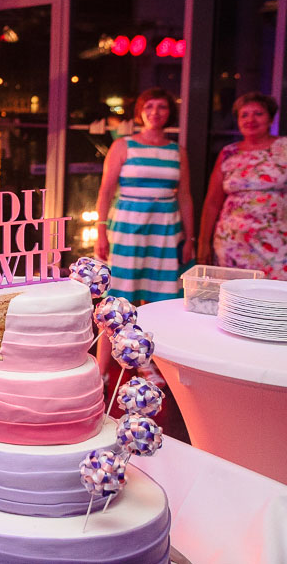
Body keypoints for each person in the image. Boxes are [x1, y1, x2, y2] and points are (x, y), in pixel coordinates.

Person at [94, 88, 195, 375]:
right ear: (140, 112)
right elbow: (106, 190)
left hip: (163, 228)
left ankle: (146, 363)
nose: (155, 112)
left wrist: (190, 238)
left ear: (169, 113)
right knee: (117, 297)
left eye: (162, 107)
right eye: (149, 106)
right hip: (127, 226)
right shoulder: (124, 146)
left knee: (156, 300)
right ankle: (101, 368)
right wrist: (100, 229)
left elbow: (185, 196)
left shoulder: (177, 151)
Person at [198, 92, 287, 281]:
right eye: (244, 115)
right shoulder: (228, 153)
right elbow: (212, 203)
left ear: (270, 118)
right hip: (233, 245)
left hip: (283, 245)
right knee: (236, 304)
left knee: (281, 303)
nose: (251, 119)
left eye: (258, 113)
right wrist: (203, 243)